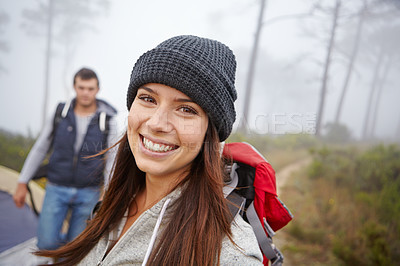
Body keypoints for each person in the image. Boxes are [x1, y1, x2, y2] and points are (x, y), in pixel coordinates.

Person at [35, 35, 263, 265]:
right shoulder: (112, 205)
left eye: (185, 109)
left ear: (210, 131)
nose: (156, 123)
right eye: (147, 98)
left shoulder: (231, 253)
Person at [13, 67, 118, 251]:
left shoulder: (107, 120)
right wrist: (22, 181)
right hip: (56, 188)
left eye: (90, 88)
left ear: (98, 90)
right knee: (45, 244)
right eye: (81, 87)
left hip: (89, 192)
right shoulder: (61, 113)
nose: (85, 93)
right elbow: (40, 147)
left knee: (76, 247)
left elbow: (111, 160)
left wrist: (107, 193)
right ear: (74, 87)